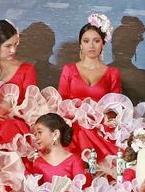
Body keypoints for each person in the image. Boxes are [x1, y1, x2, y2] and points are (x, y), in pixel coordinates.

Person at [54, 14, 130, 168]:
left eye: (96, 41)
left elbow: (116, 106)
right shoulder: (68, 70)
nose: (91, 46)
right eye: (86, 41)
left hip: (100, 127)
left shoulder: (112, 73)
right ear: (80, 44)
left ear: (103, 44)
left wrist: (103, 117)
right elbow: (60, 103)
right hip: (72, 126)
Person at [0, 19, 38, 149]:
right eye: (8, 46)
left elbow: (31, 105)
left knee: (11, 127)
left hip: (15, 122)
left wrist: (10, 114)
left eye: (15, 44)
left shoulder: (27, 69)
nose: (13, 50)